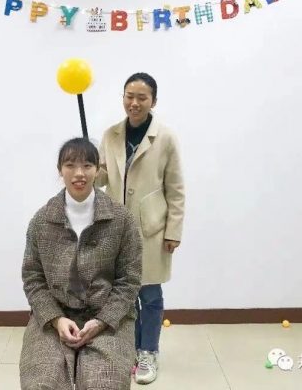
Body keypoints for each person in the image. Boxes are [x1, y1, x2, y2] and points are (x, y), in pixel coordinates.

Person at [19, 137, 143, 390]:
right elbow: (33, 279)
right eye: (70, 165)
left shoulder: (121, 220)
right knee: (41, 382)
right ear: (60, 170)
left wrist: (101, 321)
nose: (79, 173)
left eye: (87, 165)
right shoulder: (42, 221)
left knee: (105, 383)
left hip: (108, 317)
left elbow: (129, 280)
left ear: (98, 170)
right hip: (54, 314)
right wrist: (56, 319)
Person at [95, 72, 185, 385]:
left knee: (149, 293)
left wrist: (173, 230)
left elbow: (175, 188)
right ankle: (131, 348)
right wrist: (89, 168)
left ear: (153, 102)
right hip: (117, 228)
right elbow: (103, 177)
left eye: (142, 98)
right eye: (129, 96)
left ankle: (148, 351)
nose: (134, 103)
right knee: (123, 293)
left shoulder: (166, 138)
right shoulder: (111, 135)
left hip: (151, 229)